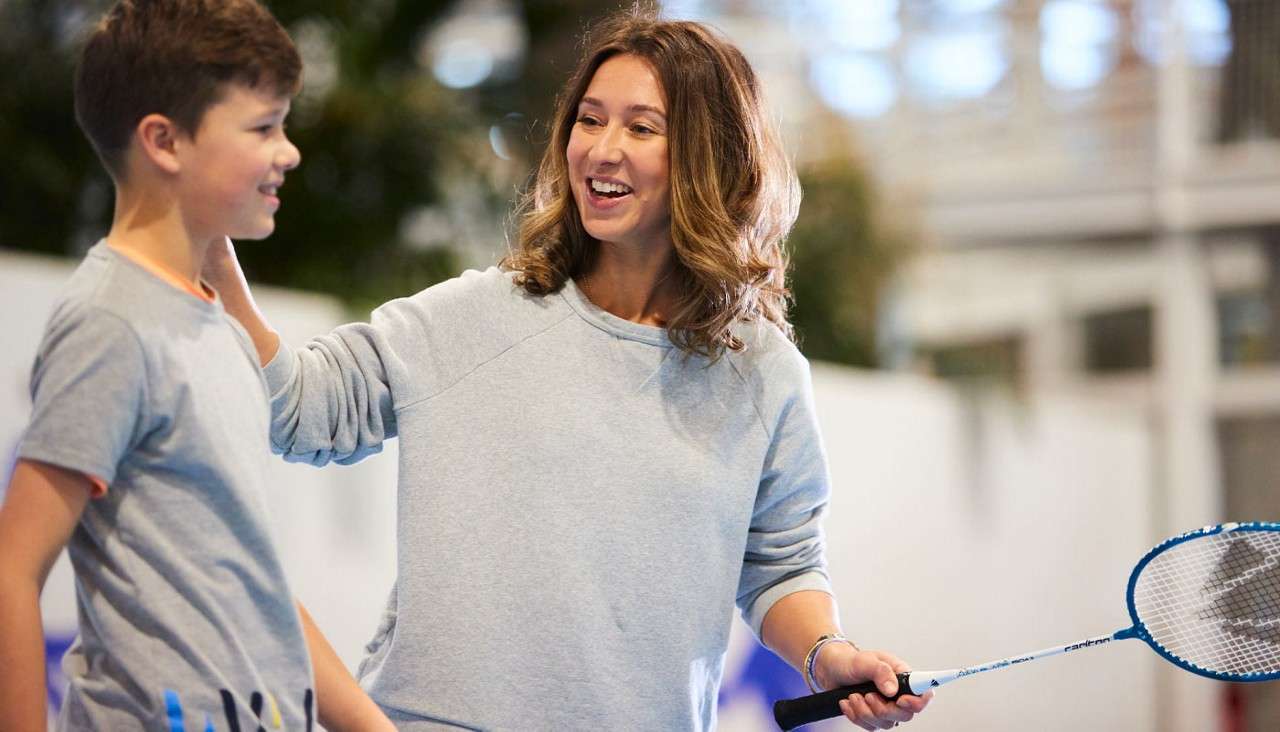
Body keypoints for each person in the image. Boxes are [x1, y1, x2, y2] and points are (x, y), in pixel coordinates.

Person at [205, 10, 933, 731]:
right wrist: (201, 228)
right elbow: (295, 407)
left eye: (642, 128)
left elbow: (781, 566)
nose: (602, 150)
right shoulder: (477, 316)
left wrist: (826, 653)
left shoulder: (764, 373)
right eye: (590, 120)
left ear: (712, 158)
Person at [0, 1, 392, 730]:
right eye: (263, 126)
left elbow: (250, 582)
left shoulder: (213, 324)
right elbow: (12, 572)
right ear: (164, 141)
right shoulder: (112, 323)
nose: (290, 151)